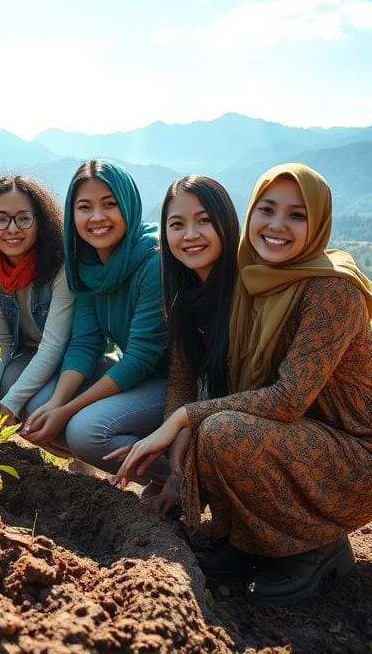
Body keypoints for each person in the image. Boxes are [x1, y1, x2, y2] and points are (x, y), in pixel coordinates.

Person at [111, 163, 372, 606]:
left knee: (221, 429)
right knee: (216, 426)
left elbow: (287, 399)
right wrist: (177, 461)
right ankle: (248, 541)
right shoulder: (252, 278)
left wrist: (183, 418)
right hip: (301, 436)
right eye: (267, 210)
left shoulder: (331, 290)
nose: (277, 225)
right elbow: (184, 374)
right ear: (250, 214)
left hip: (361, 454)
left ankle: (315, 548)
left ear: (318, 223)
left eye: (296, 215)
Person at [20, 160, 168, 476]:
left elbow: (140, 359)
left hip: (169, 383)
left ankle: (182, 479)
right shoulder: (88, 265)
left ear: (128, 205)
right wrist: (56, 403)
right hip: (134, 377)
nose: (97, 217)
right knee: (38, 405)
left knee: (86, 431)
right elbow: (86, 343)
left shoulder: (154, 263)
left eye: (109, 204)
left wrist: (67, 410)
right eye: (84, 207)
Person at [116, 175, 239, 515]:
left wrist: (185, 425)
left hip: (248, 428)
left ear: (227, 222)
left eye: (204, 221)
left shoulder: (248, 293)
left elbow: (256, 392)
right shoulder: (184, 294)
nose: (190, 234)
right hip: (214, 420)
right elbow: (182, 380)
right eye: (177, 224)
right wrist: (173, 456)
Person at [0, 176, 74, 433]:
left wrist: (6, 407)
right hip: (30, 354)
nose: (12, 229)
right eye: (1, 219)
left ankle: (77, 453)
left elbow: (54, 346)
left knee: (30, 405)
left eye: (24, 218)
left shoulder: (60, 268)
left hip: (71, 360)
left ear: (40, 223)